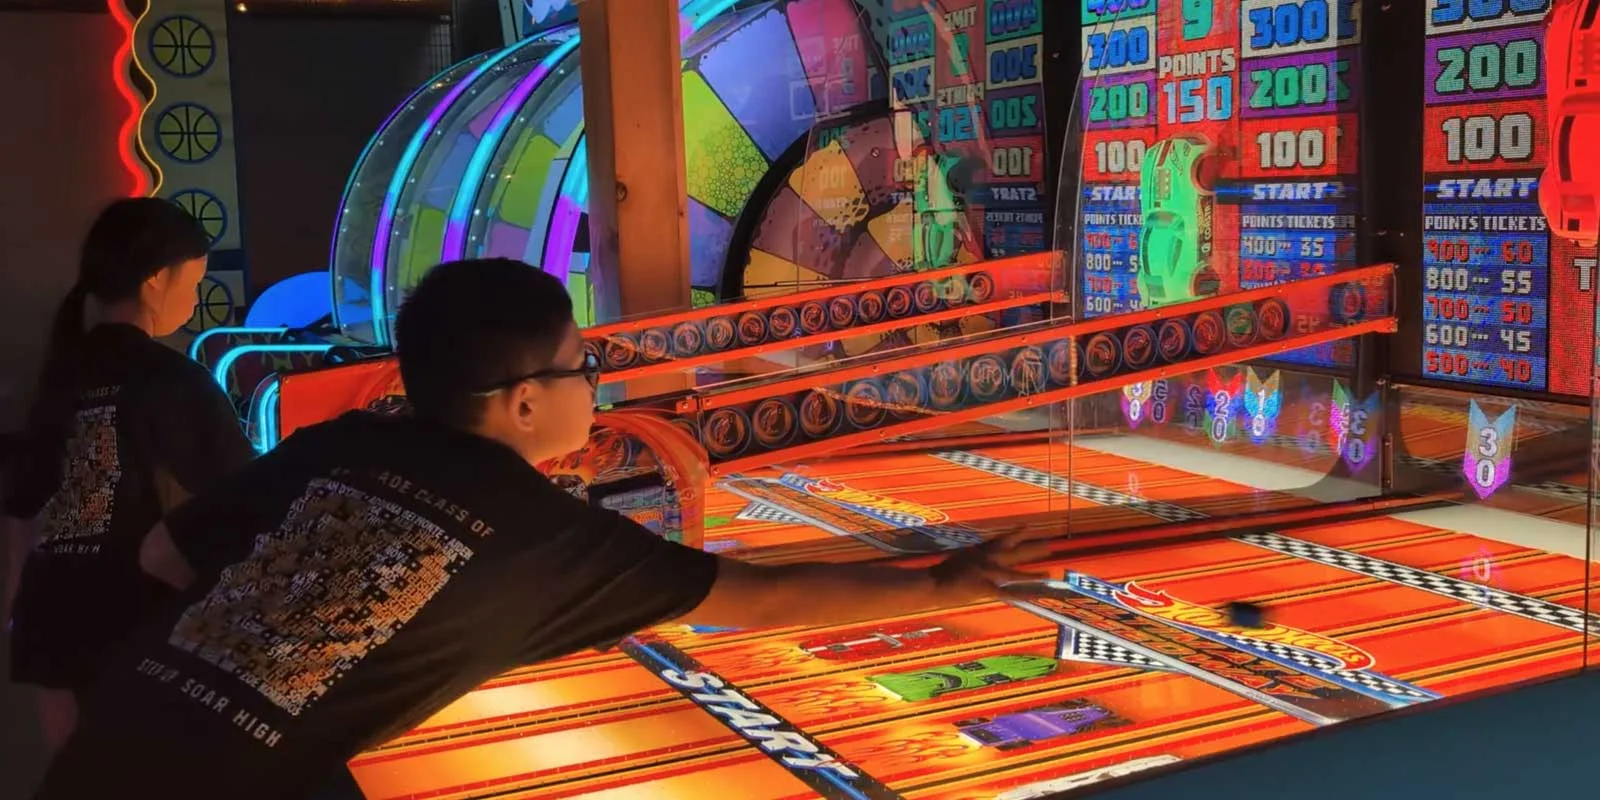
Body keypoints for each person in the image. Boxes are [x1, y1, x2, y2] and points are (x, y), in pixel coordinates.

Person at [31, 258, 1049, 799]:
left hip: (110, 740)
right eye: (581, 367)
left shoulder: (345, 440)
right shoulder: (539, 533)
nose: (593, 387)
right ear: (523, 401)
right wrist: (939, 584)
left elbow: (162, 553)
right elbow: (755, 596)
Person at [3, 198, 255, 755]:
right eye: (193, 284)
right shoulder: (172, 380)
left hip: (50, 615)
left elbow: (22, 505)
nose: (193, 300)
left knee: (74, 775)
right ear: (156, 279)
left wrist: (17, 600)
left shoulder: (58, 374)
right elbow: (244, 495)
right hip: (134, 613)